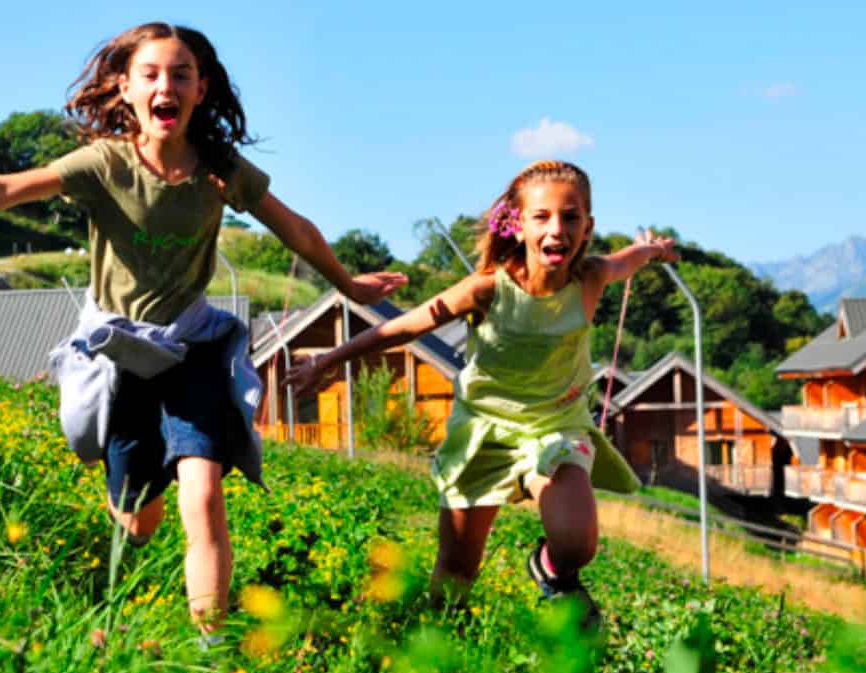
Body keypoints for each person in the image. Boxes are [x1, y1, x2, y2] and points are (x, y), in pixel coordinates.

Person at [0, 21, 403, 635]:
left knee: (202, 496)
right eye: (150, 74)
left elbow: (297, 229)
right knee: (137, 520)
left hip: (190, 347)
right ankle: (125, 543)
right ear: (124, 88)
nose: (165, 86)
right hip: (121, 352)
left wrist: (347, 283)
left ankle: (211, 649)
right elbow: (4, 189)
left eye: (181, 74)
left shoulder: (220, 170)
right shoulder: (104, 164)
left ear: (202, 89)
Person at [285, 159, 676, 623]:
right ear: (518, 224)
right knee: (456, 574)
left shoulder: (590, 277)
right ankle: (437, 645)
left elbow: (629, 260)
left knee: (576, 544)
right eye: (542, 217)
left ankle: (551, 571)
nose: (557, 230)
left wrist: (651, 249)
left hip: (556, 428)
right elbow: (405, 326)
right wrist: (327, 362)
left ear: (588, 225)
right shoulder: (489, 288)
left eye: (571, 217)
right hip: (485, 432)